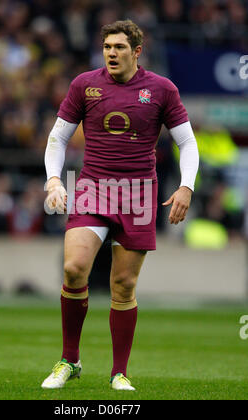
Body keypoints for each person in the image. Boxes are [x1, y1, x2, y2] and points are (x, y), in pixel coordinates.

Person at [42, 20, 199, 391]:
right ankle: (69, 360)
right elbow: (57, 137)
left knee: (123, 285)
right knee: (74, 268)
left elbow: (188, 143)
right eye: (107, 47)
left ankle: (119, 372)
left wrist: (186, 187)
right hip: (93, 187)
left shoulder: (162, 89)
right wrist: (52, 179)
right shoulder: (84, 84)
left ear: (136, 52)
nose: (112, 53)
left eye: (119, 47)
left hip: (139, 193)